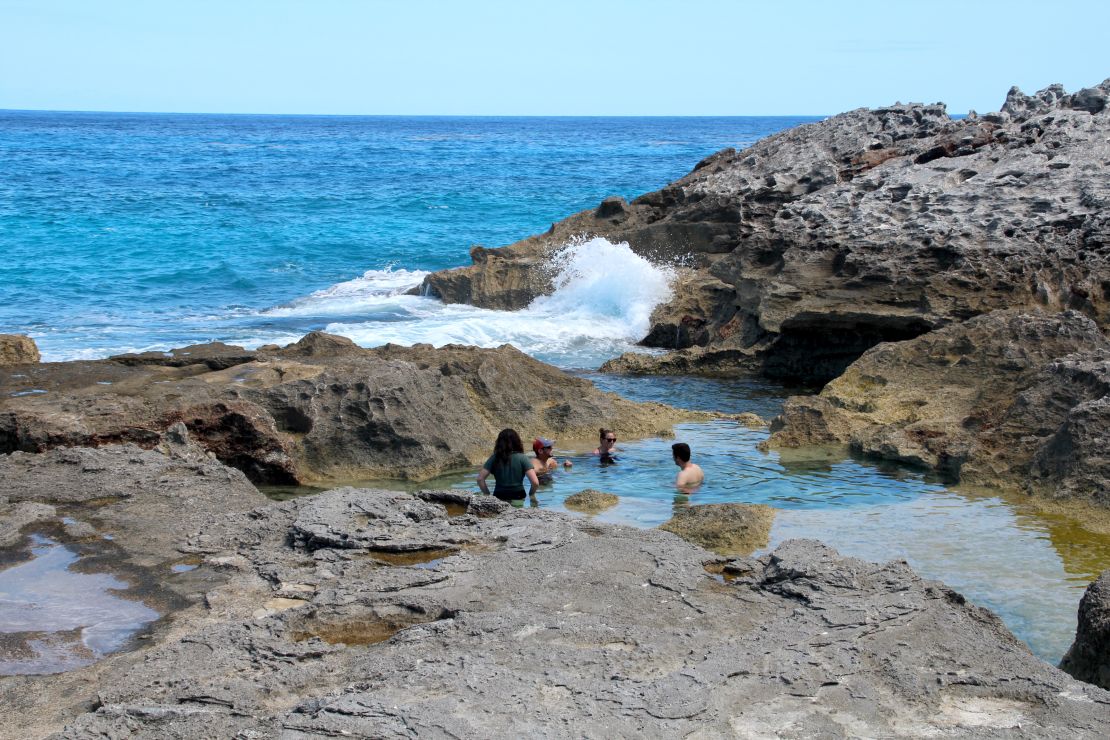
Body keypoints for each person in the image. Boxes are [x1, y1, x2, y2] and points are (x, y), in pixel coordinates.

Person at [477, 428, 539, 506]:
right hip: (518, 496)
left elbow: (480, 479)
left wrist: (487, 495)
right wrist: (531, 495)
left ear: (499, 443)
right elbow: (535, 482)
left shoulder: (494, 458)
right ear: (517, 442)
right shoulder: (523, 458)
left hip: (499, 496)